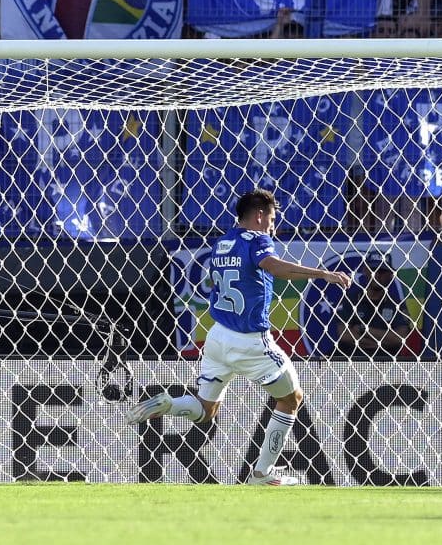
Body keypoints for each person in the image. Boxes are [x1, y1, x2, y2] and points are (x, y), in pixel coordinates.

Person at [131, 189, 352, 486]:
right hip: (249, 341)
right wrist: (322, 274)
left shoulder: (222, 242)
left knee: (206, 411)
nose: (273, 226)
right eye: (271, 219)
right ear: (259, 215)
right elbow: (273, 266)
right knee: (292, 398)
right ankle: (262, 473)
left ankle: (169, 404)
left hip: (217, 337)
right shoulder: (258, 240)